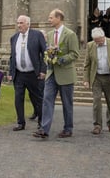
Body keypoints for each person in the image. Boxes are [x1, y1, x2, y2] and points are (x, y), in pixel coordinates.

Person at [33, 9, 80, 139]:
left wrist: (61, 59)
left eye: (51, 17)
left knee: (67, 103)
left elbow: (75, 53)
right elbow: (46, 53)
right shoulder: (48, 35)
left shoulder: (70, 34)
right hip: (51, 73)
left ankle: (68, 129)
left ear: (59, 18)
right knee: (47, 101)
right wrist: (47, 59)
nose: (49, 20)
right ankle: (44, 129)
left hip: (65, 74)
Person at [83, 27, 110, 134]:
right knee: (96, 101)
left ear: (103, 36)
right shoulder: (90, 45)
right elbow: (87, 64)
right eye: (96, 41)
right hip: (96, 77)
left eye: (100, 40)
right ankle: (97, 125)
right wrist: (86, 79)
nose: (99, 43)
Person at [8, 15, 47, 131]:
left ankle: (41, 122)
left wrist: (43, 70)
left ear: (28, 24)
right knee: (18, 99)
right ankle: (20, 123)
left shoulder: (37, 35)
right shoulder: (14, 38)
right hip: (19, 74)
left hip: (33, 74)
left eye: (21, 23)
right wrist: (11, 72)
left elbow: (45, 54)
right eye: (18, 23)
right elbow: (12, 57)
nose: (19, 25)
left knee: (37, 99)